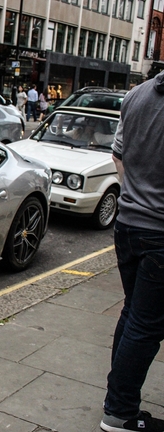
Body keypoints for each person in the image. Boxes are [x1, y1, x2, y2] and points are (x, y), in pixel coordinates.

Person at [99, 70, 164, 432]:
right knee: (146, 325)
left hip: (129, 225)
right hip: (159, 234)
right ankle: (119, 413)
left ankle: (117, 402)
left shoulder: (137, 95)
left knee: (134, 315)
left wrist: (134, 196)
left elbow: (118, 155)